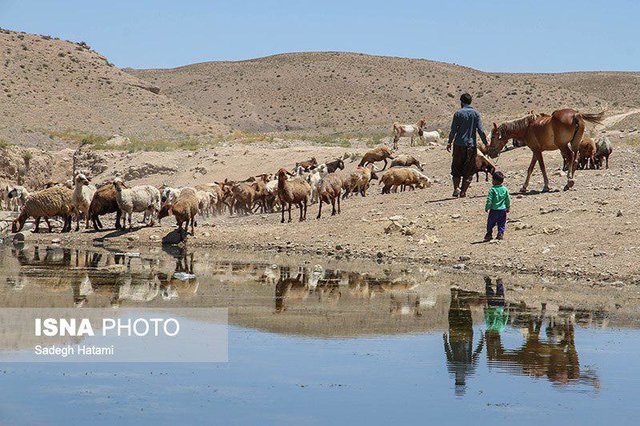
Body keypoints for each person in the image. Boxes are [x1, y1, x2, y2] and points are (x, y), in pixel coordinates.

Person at [446, 93, 489, 197]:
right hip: (471, 145)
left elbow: (453, 130)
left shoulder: (458, 113)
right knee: (469, 168)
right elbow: (481, 130)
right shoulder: (476, 114)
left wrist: (449, 142)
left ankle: (456, 188)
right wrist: (485, 143)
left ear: (461, 102)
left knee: (456, 167)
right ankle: (463, 191)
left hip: (459, 144)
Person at [484, 171, 511, 241]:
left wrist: (487, 207)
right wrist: (508, 207)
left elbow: (489, 199)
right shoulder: (505, 189)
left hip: (494, 210)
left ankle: (489, 234)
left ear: (494, 180)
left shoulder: (492, 190)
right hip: (503, 210)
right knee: (502, 223)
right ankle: (500, 233)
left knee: (490, 223)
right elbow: (508, 199)